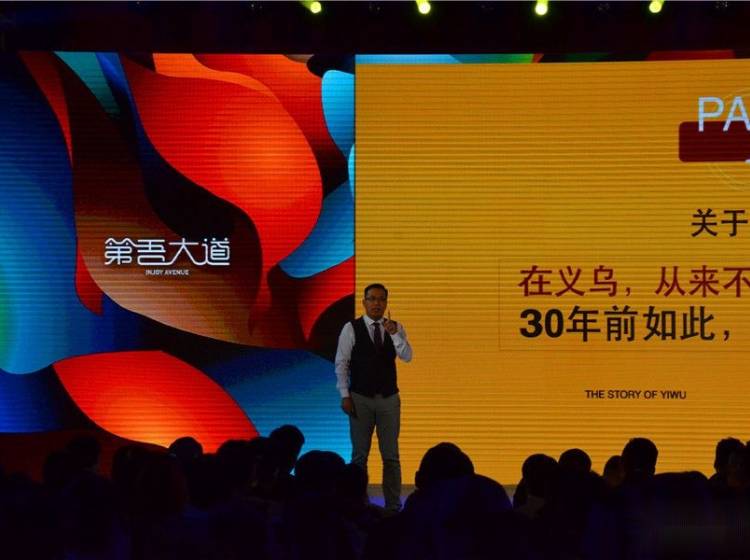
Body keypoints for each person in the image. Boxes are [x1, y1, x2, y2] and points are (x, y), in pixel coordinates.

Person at [335, 283, 413, 512]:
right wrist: (344, 395)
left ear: (386, 303)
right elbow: (342, 362)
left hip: (389, 398)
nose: (377, 303)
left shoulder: (395, 327)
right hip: (360, 397)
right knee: (360, 455)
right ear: (364, 302)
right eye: (372, 299)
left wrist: (395, 334)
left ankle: (393, 505)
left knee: (391, 455)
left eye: (381, 299)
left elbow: (407, 356)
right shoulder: (351, 328)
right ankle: (357, 503)